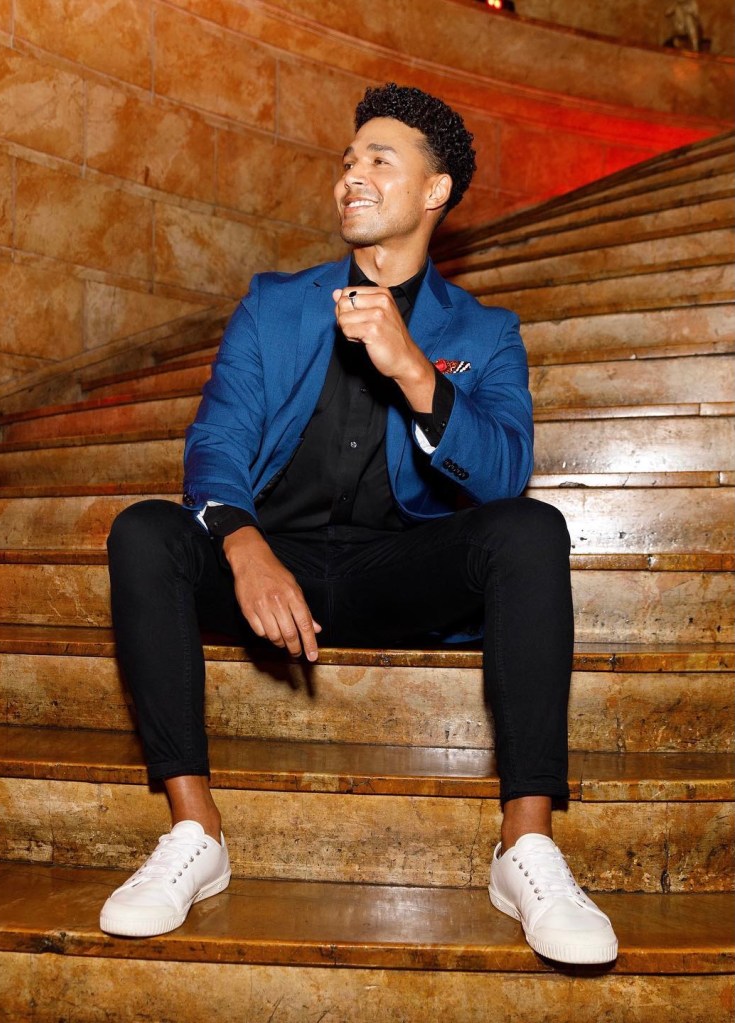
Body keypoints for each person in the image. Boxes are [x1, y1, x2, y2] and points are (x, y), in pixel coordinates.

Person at [100, 82, 618, 965]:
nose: (352, 176)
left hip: (398, 569)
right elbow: (217, 439)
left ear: (434, 191)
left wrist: (414, 370)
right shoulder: (274, 304)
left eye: (380, 159)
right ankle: (195, 831)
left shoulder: (485, 333)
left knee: (530, 530)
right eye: (347, 161)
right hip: (274, 565)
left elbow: (502, 474)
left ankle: (525, 843)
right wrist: (243, 543)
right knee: (142, 531)